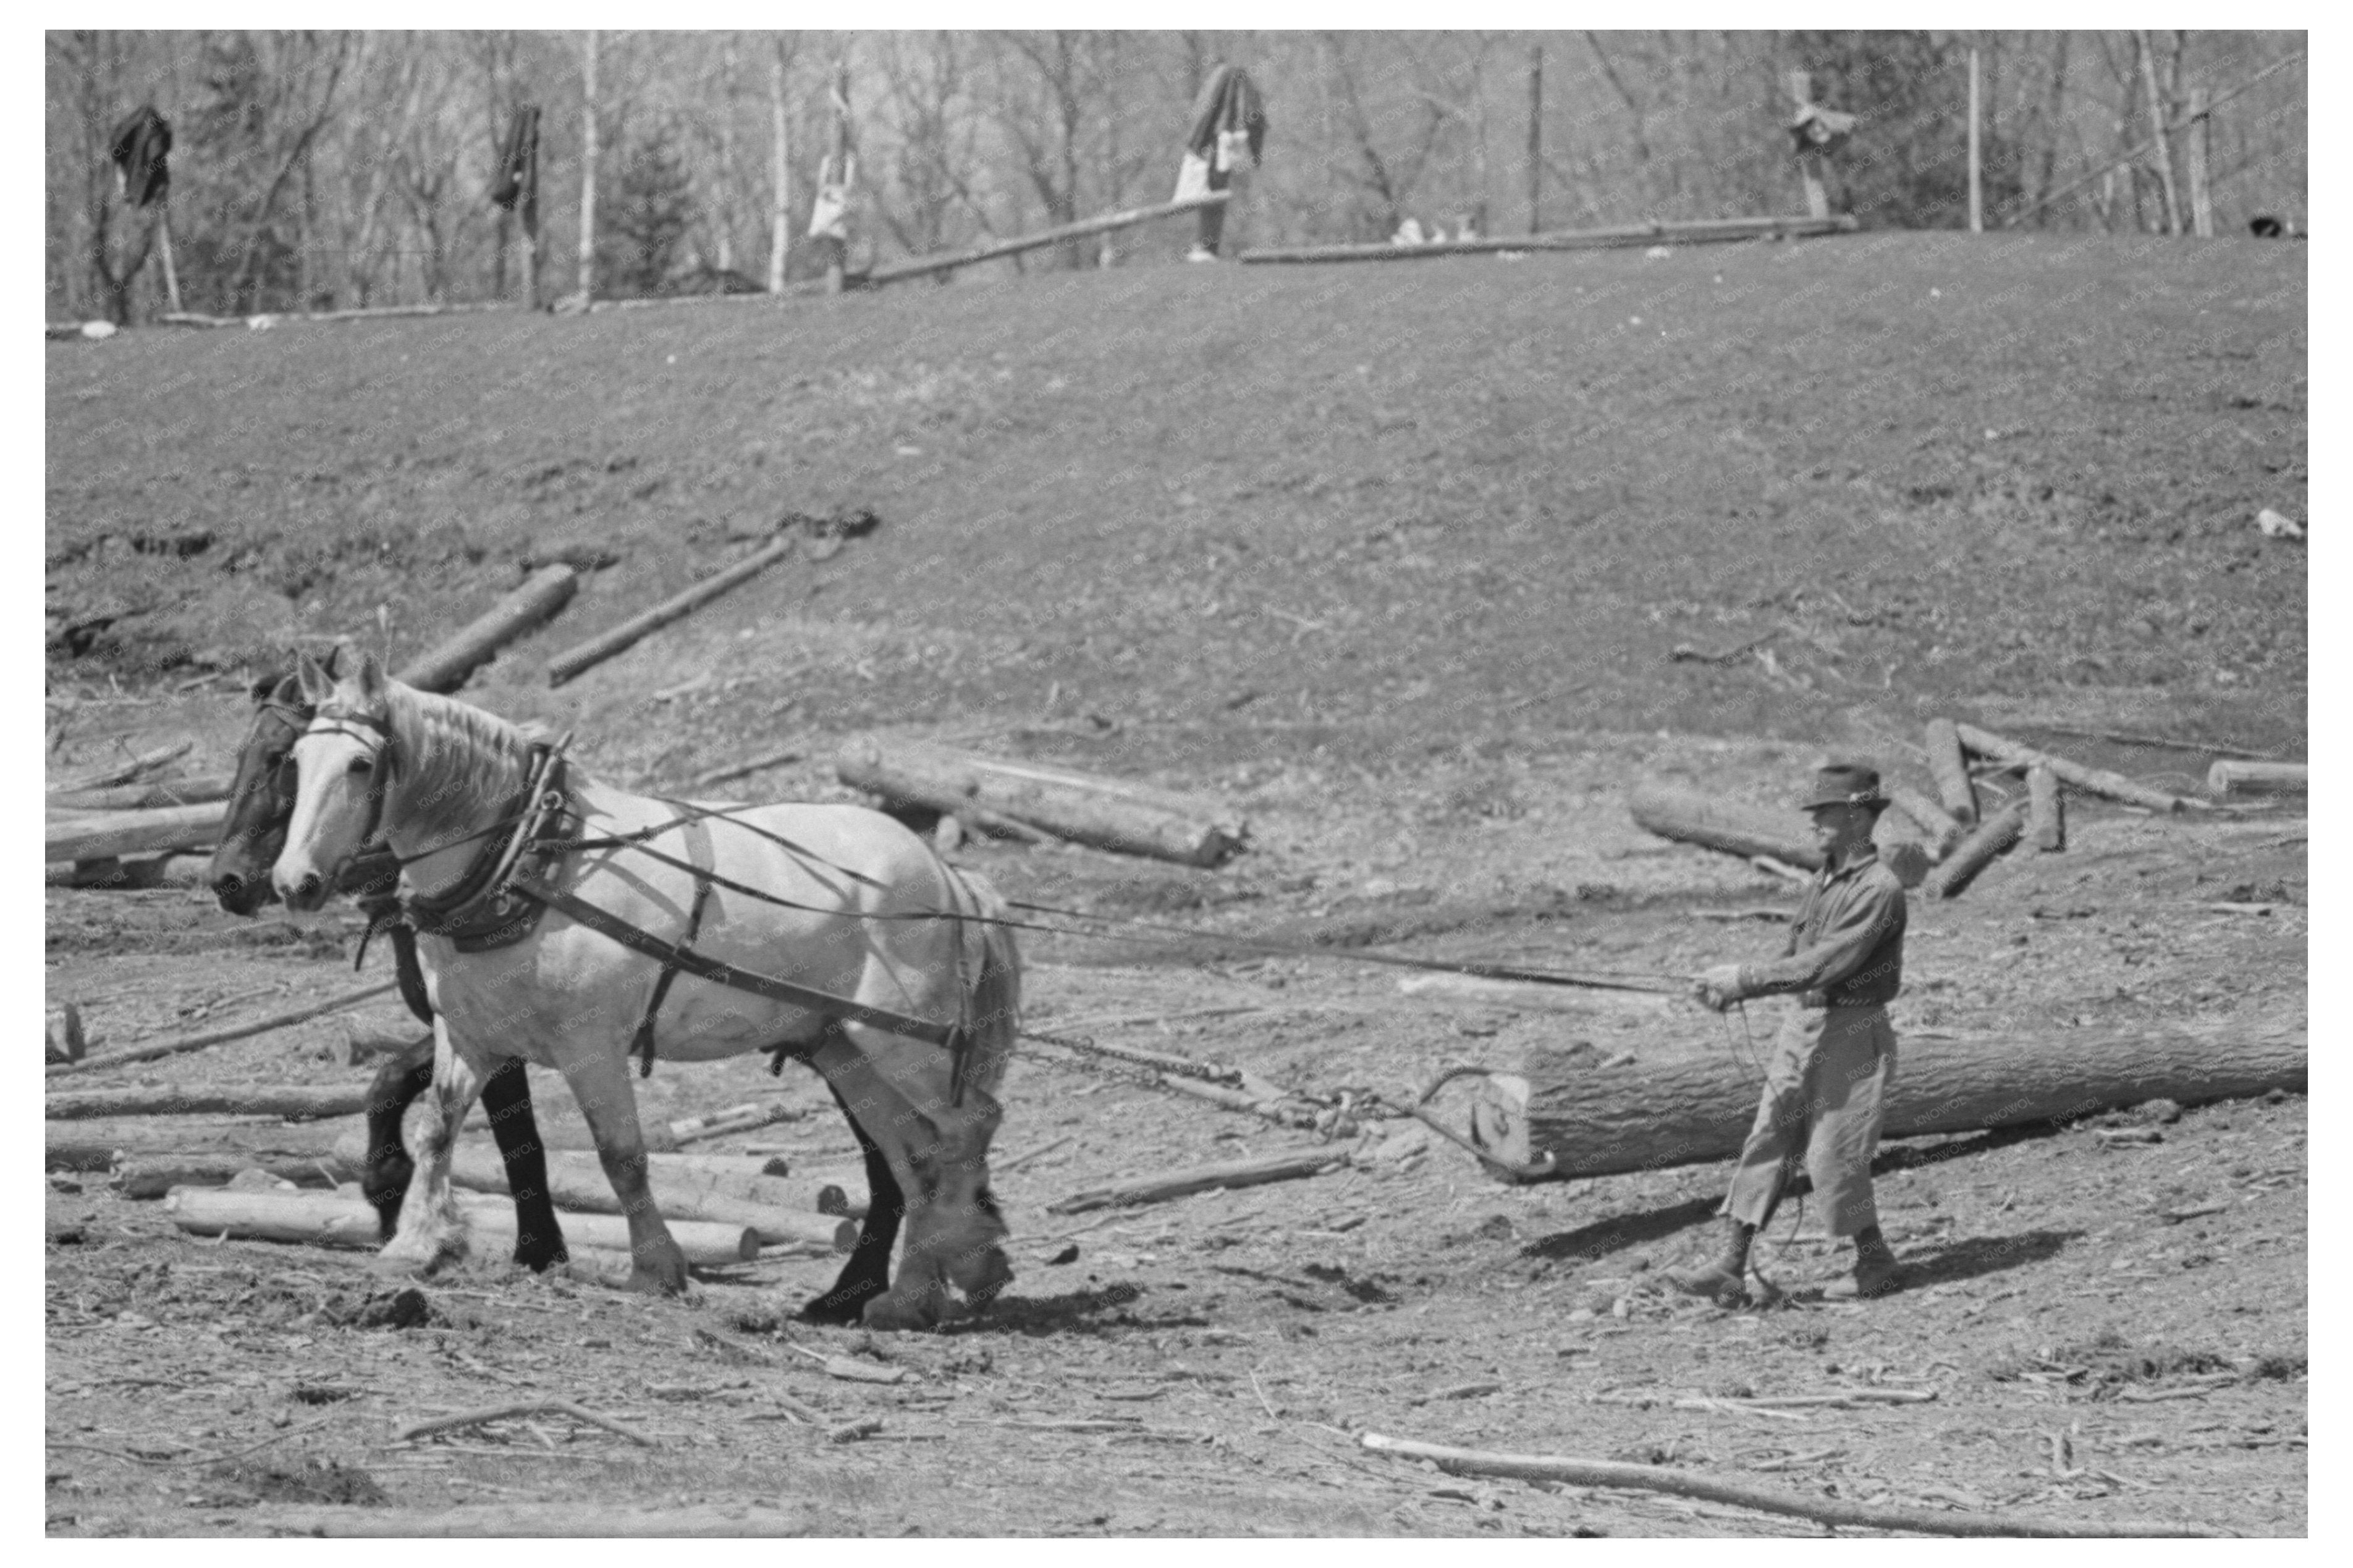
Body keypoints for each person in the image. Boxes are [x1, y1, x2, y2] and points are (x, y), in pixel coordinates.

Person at [1671, 761, 1909, 1307]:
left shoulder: (1880, 888)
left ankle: (1876, 1262)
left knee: (1833, 1152)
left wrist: (1747, 980)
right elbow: (1796, 956)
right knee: (1768, 1137)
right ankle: (1730, 1263)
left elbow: (1831, 961)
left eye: (1824, 811)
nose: (1814, 822)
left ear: (1858, 817)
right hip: (1803, 1025)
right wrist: (1728, 988)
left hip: (1852, 1029)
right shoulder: (1822, 880)